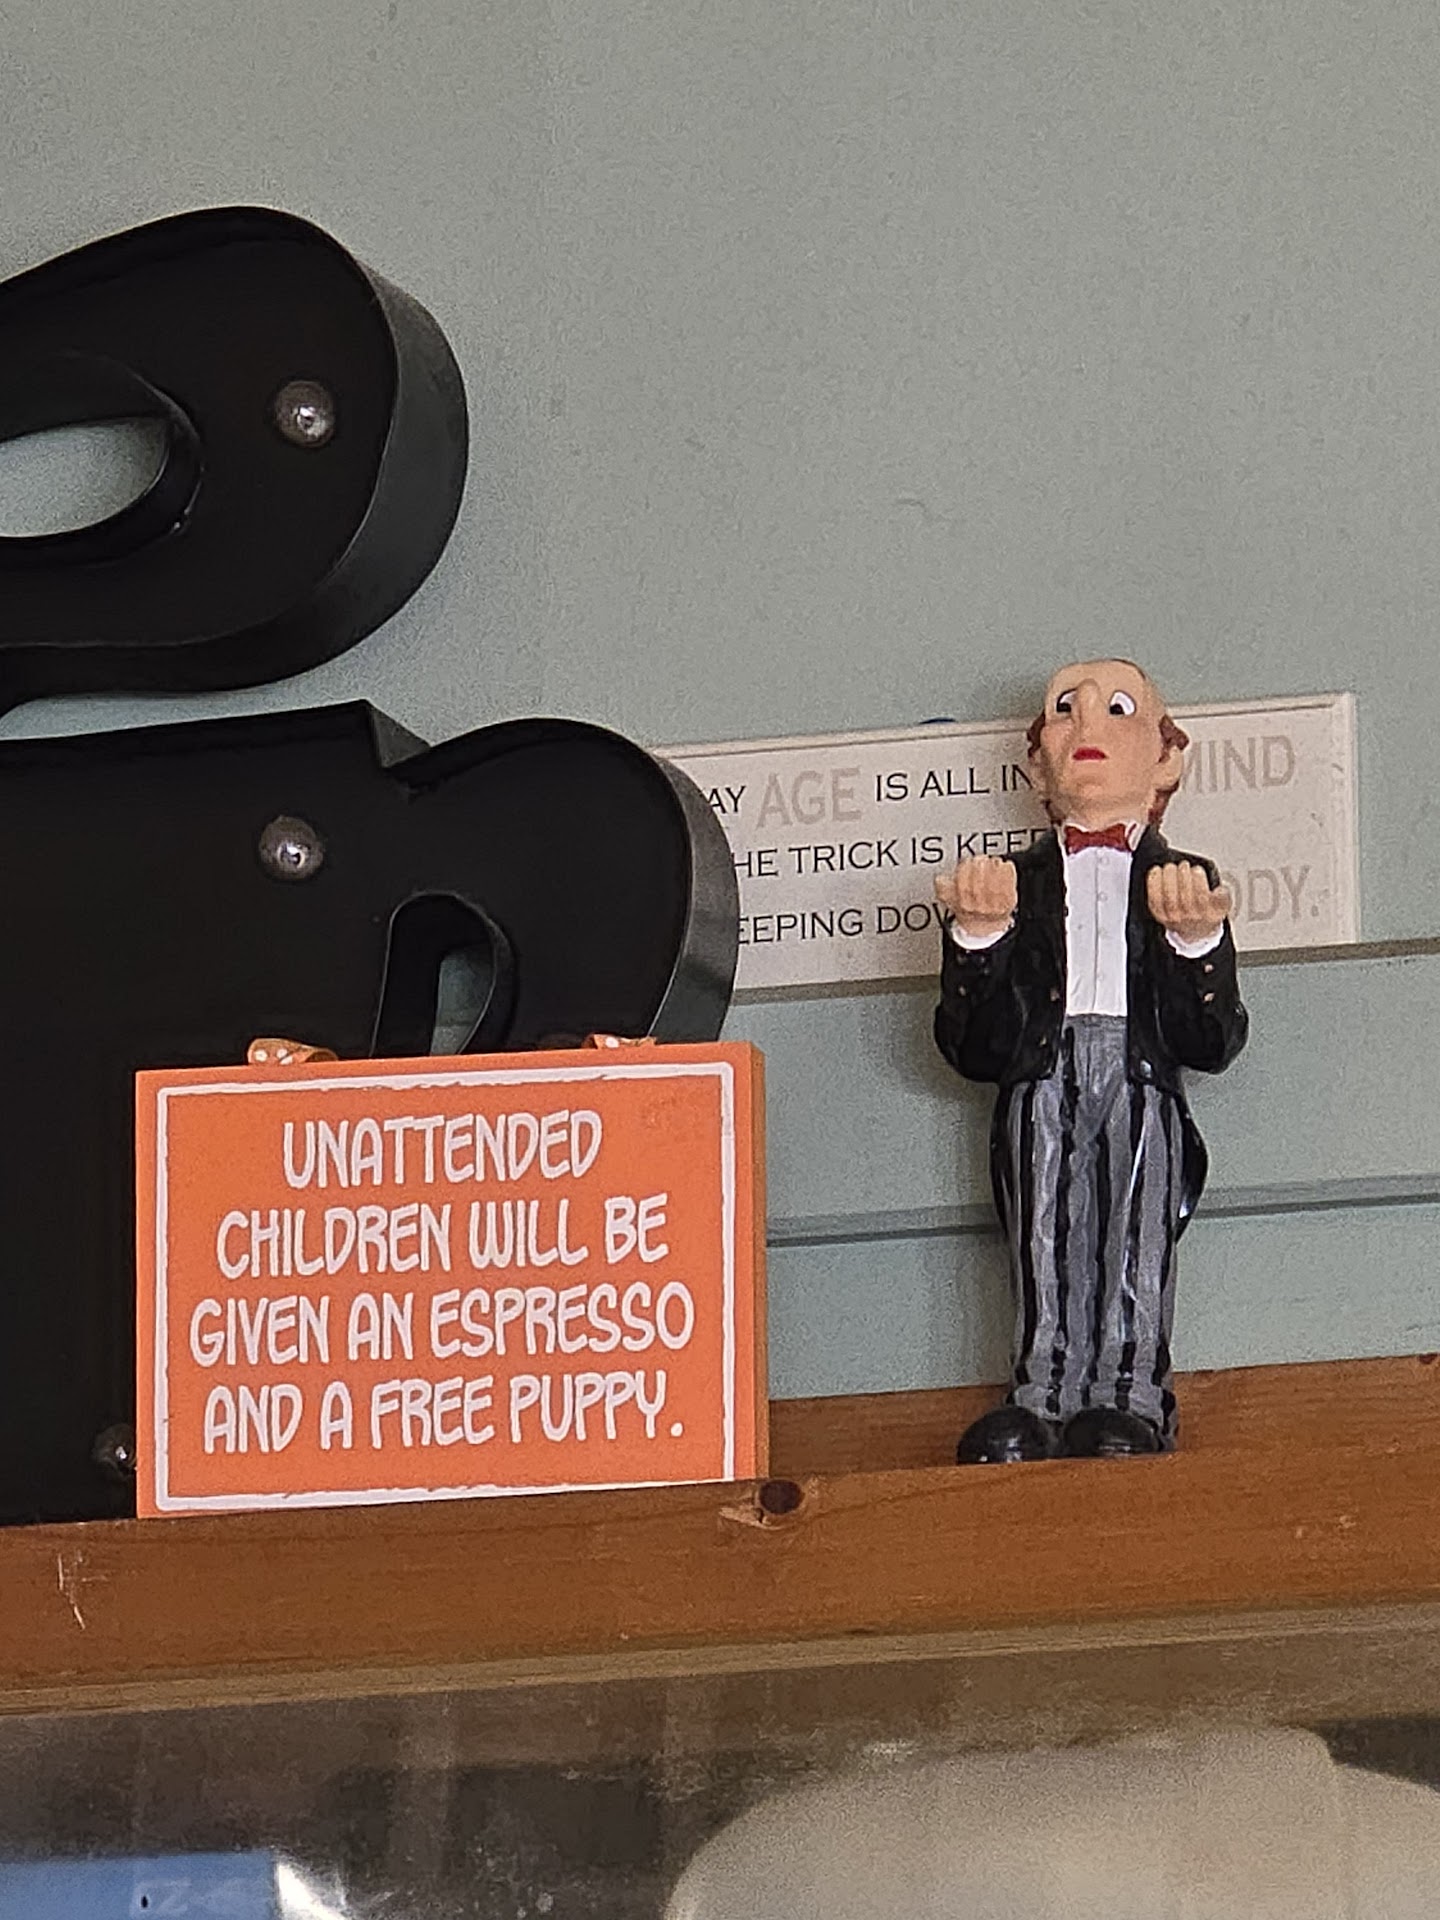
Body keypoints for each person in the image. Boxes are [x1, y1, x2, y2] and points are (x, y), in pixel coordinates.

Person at [933, 659, 1248, 1462]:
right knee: (1042, 1235)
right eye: (1064, 710)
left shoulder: (1184, 880)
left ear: (1165, 759)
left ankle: (1131, 1396)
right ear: (1037, 767)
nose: (1087, 727)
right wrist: (980, 937)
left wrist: (1196, 941)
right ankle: (1041, 1395)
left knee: (1135, 1232)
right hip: (1042, 1074)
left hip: (1140, 1077)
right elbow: (973, 1046)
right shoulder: (1011, 882)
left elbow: (1211, 1041)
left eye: (1117, 709)